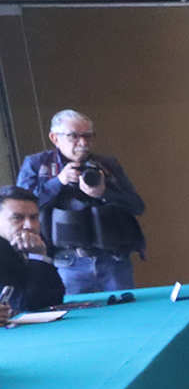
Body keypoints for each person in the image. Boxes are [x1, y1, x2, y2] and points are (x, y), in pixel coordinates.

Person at [17, 109, 146, 293]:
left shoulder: (107, 165)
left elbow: (137, 206)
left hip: (113, 260)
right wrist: (58, 182)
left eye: (88, 136)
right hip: (65, 261)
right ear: (55, 138)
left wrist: (104, 193)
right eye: (74, 136)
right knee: (73, 310)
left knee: (126, 308)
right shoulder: (37, 164)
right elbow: (22, 208)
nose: (83, 143)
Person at [0, 186, 66, 314]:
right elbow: (23, 305)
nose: (29, 226)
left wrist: (39, 256)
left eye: (34, 218)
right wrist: (38, 257)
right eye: (17, 218)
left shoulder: (38, 242)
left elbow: (56, 295)